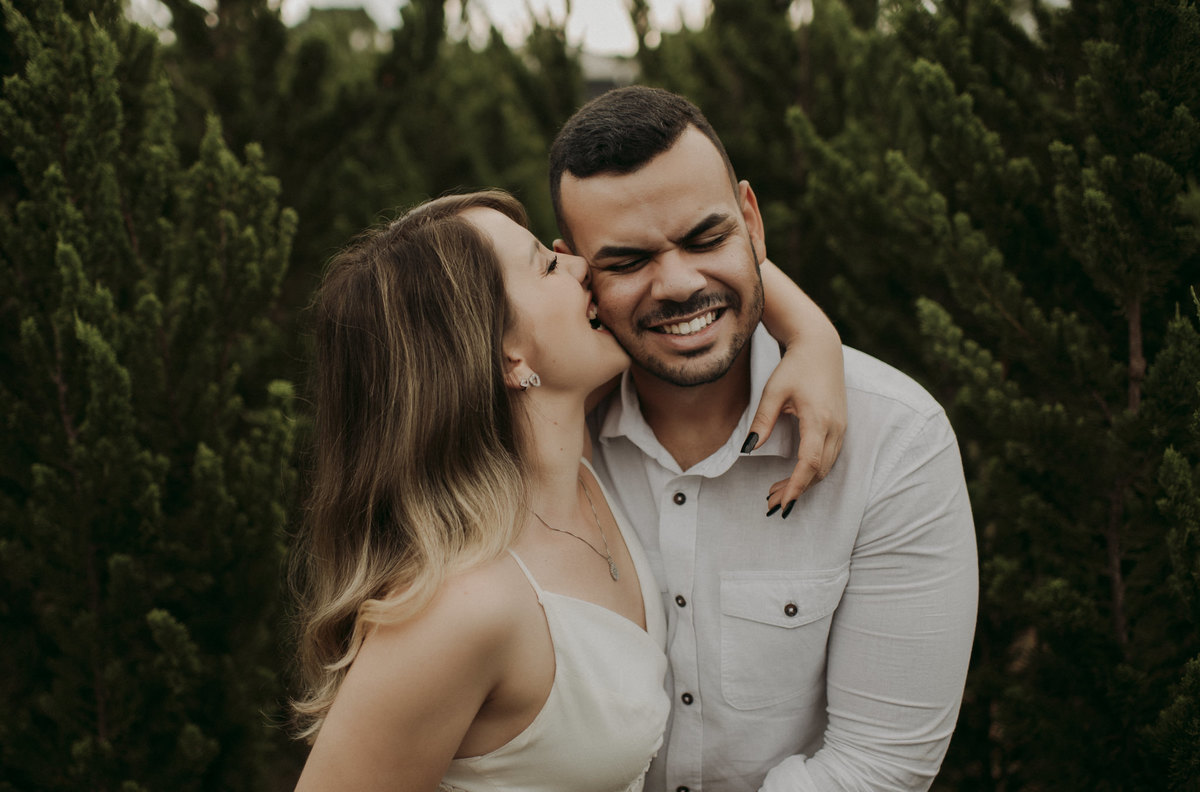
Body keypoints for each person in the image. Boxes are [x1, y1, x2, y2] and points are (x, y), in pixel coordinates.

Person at [289, 189, 847, 791]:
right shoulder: (460, 611)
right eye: (547, 265)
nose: (581, 263)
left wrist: (814, 336)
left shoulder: (578, 459)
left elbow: (688, 270)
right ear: (507, 354)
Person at [549, 86, 979, 792]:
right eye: (626, 262)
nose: (679, 284)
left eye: (705, 238)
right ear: (575, 272)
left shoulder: (897, 442)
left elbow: (878, 769)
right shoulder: (539, 437)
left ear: (751, 219)